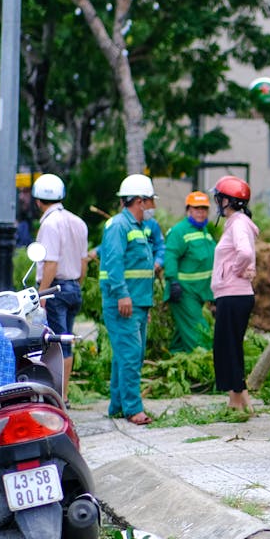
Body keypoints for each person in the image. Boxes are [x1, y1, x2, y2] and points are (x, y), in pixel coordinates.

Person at [99, 174, 157, 425]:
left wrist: (144, 303)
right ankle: (133, 409)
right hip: (123, 302)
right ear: (139, 201)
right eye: (150, 201)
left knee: (127, 355)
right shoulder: (118, 226)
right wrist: (122, 294)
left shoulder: (136, 227)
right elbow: (113, 263)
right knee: (131, 355)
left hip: (137, 302)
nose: (153, 206)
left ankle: (118, 406)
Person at [31, 173, 89, 402]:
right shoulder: (77, 221)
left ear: (37, 200)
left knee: (54, 346)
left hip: (55, 290)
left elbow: (51, 263)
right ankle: (62, 394)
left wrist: (41, 294)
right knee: (66, 343)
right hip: (74, 287)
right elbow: (84, 261)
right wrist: (77, 285)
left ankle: (58, 396)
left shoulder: (49, 224)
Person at [211, 176, 260, 411]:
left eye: (219, 198)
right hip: (233, 294)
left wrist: (234, 270)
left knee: (227, 348)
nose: (217, 203)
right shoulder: (236, 222)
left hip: (234, 294)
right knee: (230, 347)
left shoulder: (238, 223)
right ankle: (242, 401)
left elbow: (245, 253)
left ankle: (236, 402)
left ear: (227, 201)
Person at [164, 191, 216, 353]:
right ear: (188, 210)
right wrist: (172, 281)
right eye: (196, 209)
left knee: (183, 333)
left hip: (199, 292)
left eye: (204, 209)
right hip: (184, 293)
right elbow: (170, 256)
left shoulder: (204, 232)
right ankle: (206, 360)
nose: (200, 212)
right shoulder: (179, 232)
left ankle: (175, 356)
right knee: (200, 332)